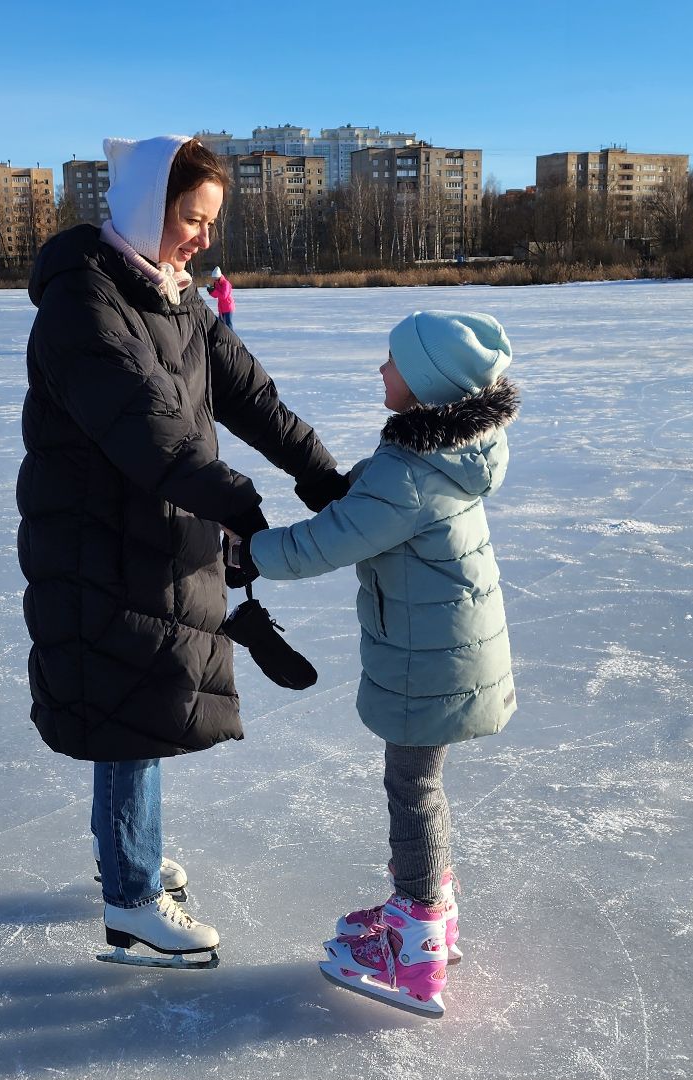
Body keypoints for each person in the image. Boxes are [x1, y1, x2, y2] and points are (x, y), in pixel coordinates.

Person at [18, 135, 351, 969]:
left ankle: (122, 851)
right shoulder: (85, 301)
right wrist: (245, 508)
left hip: (159, 533)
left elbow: (253, 398)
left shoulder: (173, 297)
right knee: (132, 702)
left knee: (145, 694)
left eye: (210, 222)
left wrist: (326, 483)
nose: (203, 238)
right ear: (144, 209)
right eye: (190, 218)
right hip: (99, 539)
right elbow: (150, 430)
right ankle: (130, 899)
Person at [242, 310, 518, 1015]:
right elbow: (366, 499)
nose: (379, 370)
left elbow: (327, 543)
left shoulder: (411, 473)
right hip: (448, 647)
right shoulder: (443, 455)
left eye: (392, 362)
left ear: (424, 384)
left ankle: (416, 941)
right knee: (419, 785)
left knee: (412, 789)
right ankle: (429, 909)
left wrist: (245, 554)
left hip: (430, 659)